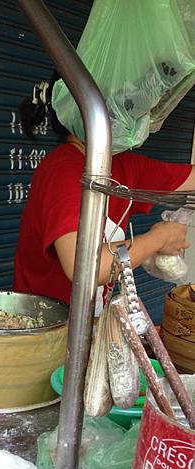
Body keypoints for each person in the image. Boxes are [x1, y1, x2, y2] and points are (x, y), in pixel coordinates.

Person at [14, 72, 195, 315]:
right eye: (127, 102)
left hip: (91, 320)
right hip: (46, 325)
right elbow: (84, 266)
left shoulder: (122, 164)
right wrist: (159, 239)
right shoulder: (64, 170)